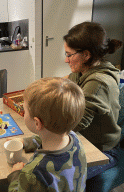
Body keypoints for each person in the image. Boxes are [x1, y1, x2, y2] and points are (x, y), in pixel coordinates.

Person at [63, 21, 124, 179]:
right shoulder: (83, 69)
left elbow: (76, 124)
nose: (66, 60)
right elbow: (64, 83)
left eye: (69, 55)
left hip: (102, 151)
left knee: (58, 178)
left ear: (86, 55)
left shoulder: (98, 83)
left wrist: (39, 135)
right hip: (83, 140)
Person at [8, 77, 87, 192]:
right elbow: (49, 136)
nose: (23, 113)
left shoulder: (33, 173)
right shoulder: (75, 138)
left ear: (37, 123)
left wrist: (16, 175)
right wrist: (25, 142)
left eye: (24, 110)